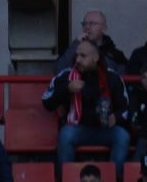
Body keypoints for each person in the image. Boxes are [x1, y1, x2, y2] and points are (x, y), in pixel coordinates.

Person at [44, 38, 130, 169]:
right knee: (65, 135)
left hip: (105, 129)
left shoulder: (112, 77)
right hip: (77, 128)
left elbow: (126, 108)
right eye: (77, 55)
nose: (78, 60)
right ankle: (66, 178)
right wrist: (67, 88)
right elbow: (46, 102)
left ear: (95, 57)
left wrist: (116, 118)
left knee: (122, 136)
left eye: (83, 56)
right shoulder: (67, 75)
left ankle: (114, 177)